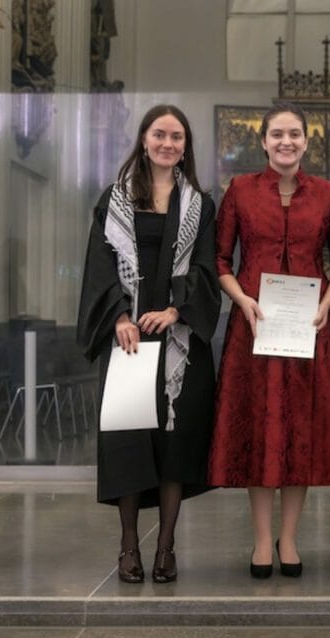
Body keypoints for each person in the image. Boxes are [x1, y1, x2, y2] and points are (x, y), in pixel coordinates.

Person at [209, 101, 330, 579]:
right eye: (277, 134)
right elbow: (219, 261)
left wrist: (325, 306)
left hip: (308, 332)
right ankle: (260, 541)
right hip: (253, 329)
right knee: (260, 433)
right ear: (263, 140)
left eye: (295, 134)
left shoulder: (326, 194)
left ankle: (290, 539)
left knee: (300, 435)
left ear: (306, 140)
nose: (286, 142)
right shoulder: (238, 190)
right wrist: (242, 301)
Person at [77, 104, 220, 584]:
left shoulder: (200, 204)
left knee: (175, 444)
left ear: (186, 146)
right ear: (143, 139)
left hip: (179, 341)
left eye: (177, 137)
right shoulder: (115, 199)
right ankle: (127, 549)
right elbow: (98, 265)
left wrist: (177, 310)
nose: (168, 143)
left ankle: (166, 549)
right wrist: (119, 315)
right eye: (159, 134)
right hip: (130, 341)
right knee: (129, 442)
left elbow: (204, 268)